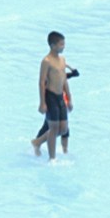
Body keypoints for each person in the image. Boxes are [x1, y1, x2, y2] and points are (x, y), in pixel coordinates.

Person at [32, 32, 71, 160]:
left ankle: (37, 142)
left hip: (60, 97)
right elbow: (41, 82)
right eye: (61, 44)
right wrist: (42, 102)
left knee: (64, 128)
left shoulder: (62, 60)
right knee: (53, 129)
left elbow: (64, 79)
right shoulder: (46, 61)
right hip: (51, 97)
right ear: (53, 45)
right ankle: (52, 158)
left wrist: (69, 98)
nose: (63, 46)